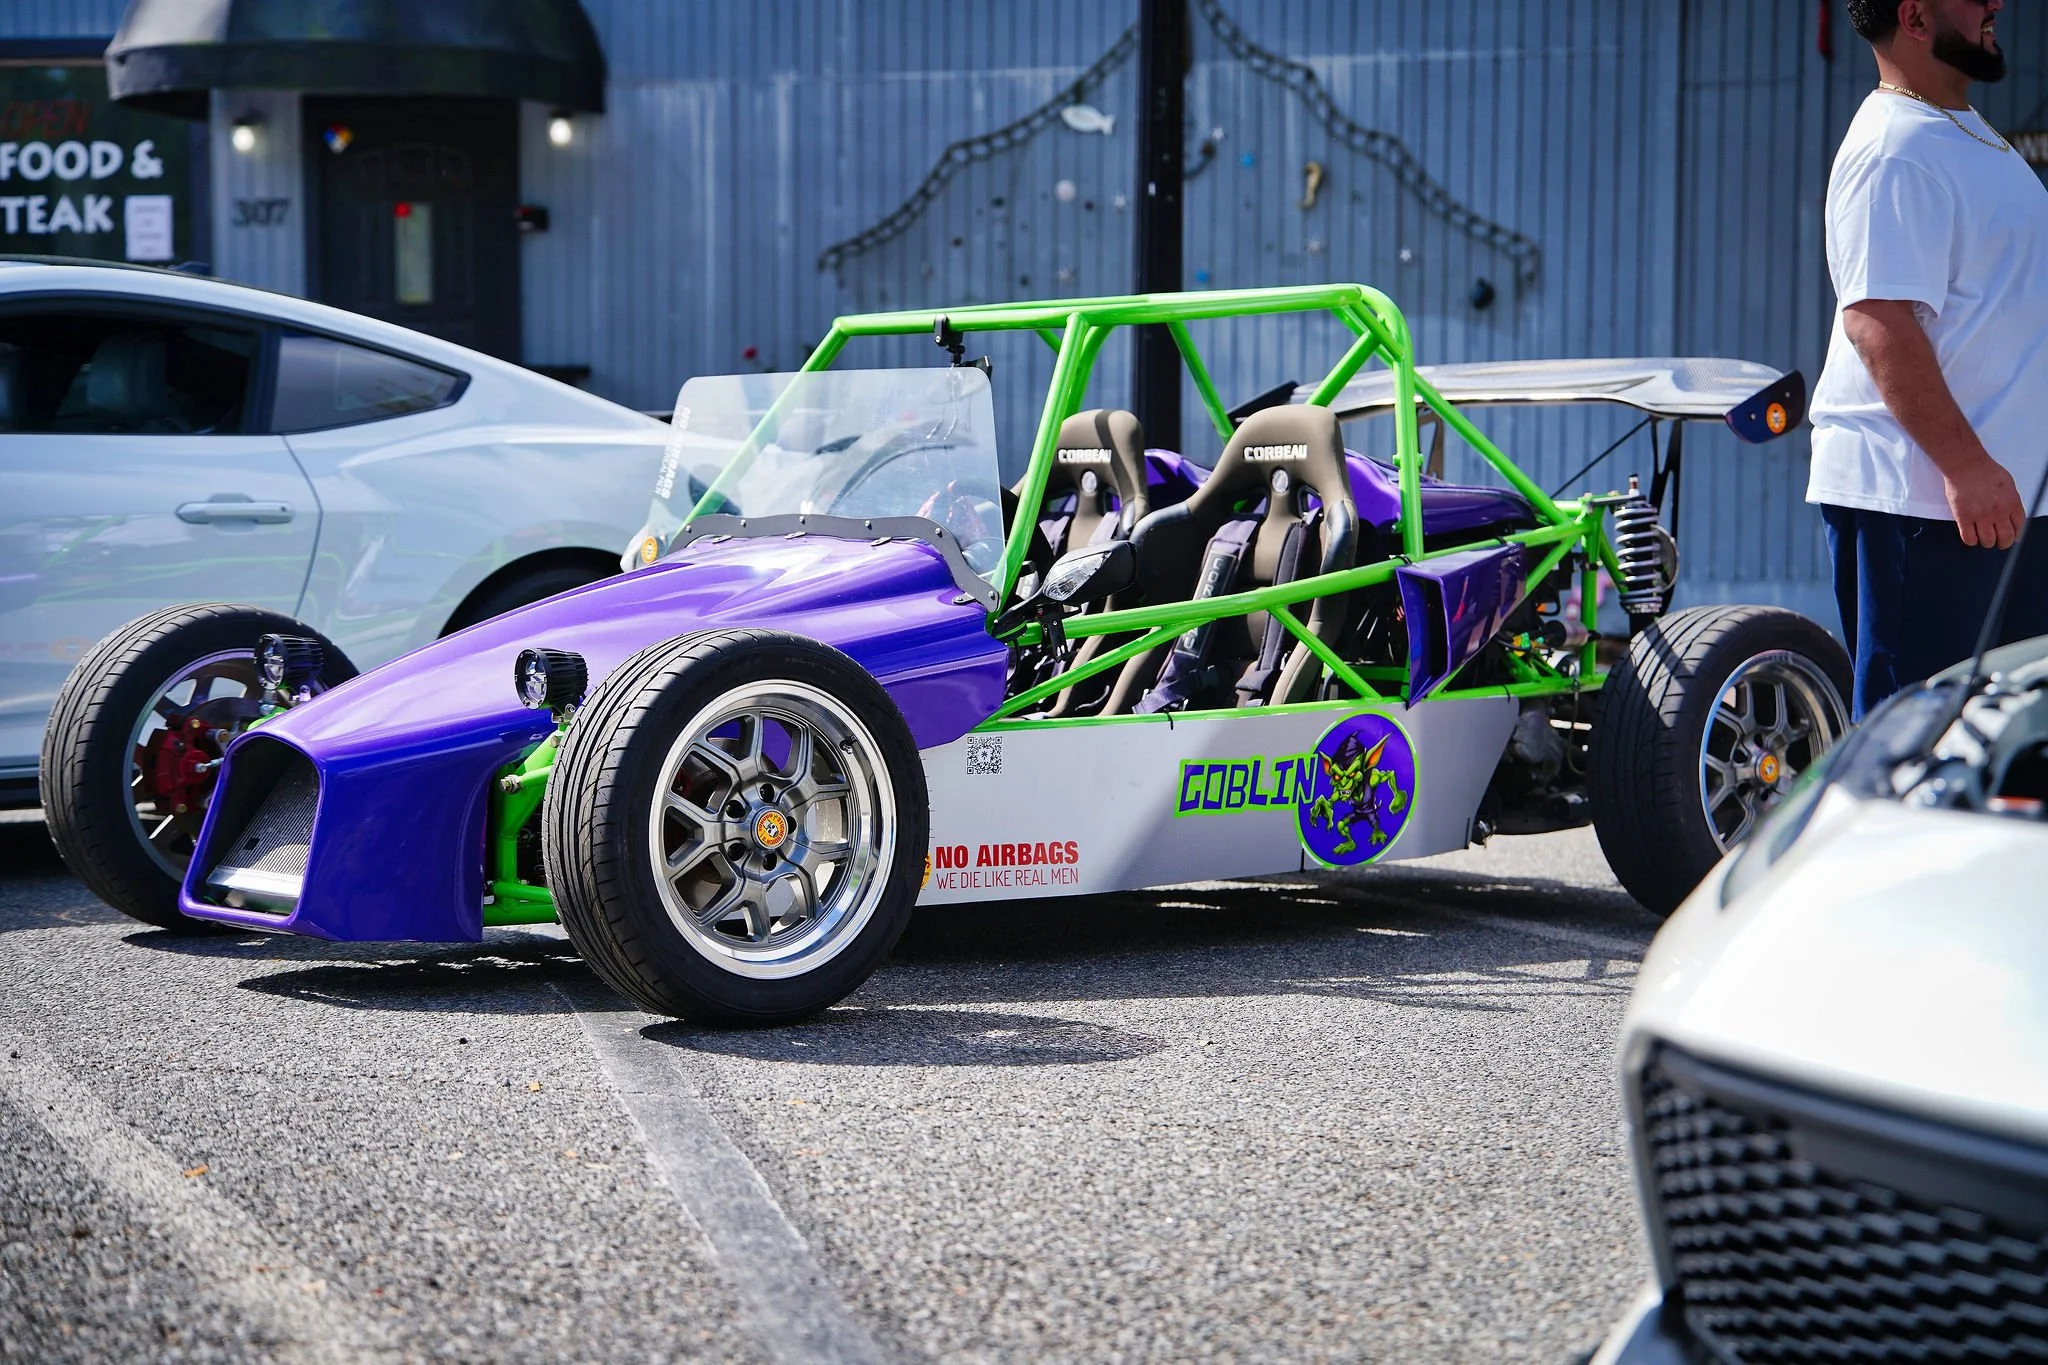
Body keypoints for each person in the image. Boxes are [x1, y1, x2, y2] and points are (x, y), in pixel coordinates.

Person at [1809, 0, 2048, 718]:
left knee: (2003, 754)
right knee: (1918, 752)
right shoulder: (1893, 148)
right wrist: (1966, 466)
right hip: (1929, 508)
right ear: (1914, 16)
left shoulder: (1966, 135)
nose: (1995, 5)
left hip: (2003, 506)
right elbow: (1878, 323)